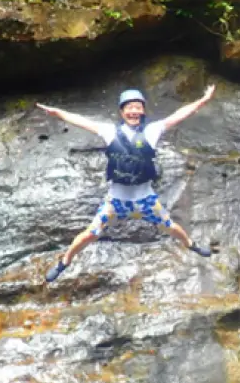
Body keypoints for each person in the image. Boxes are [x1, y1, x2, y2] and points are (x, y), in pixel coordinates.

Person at [37, 85, 216, 282]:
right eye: (129, 107)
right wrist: (58, 113)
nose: (134, 111)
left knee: (170, 226)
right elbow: (82, 121)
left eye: (138, 107)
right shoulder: (109, 131)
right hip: (117, 202)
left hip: (145, 199)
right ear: (122, 112)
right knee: (90, 234)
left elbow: (178, 115)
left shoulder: (152, 130)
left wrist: (203, 100)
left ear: (143, 111)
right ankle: (65, 261)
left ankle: (191, 244)